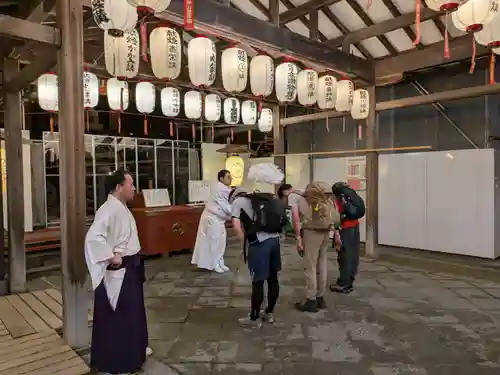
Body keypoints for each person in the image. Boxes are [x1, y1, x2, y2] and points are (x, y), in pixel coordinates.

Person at [85, 169, 151, 374]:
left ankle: (135, 350)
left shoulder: (120, 207)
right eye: (131, 184)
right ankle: (118, 360)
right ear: (119, 187)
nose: (134, 188)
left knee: (133, 313)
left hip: (130, 268)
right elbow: (93, 238)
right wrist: (111, 256)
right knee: (120, 316)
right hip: (119, 271)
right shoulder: (108, 210)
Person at [230, 187, 285, 328]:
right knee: (273, 278)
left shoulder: (238, 202)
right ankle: (269, 313)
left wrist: (245, 244)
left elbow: (236, 227)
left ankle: (254, 318)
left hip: (259, 243)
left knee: (258, 280)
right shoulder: (265, 199)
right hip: (275, 241)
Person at [292, 182, 340, 312]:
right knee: (322, 264)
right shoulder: (328, 200)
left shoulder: (302, 199)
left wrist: (298, 238)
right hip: (325, 232)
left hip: (312, 233)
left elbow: (297, 219)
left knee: (310, 266)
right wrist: (337, 235)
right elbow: (335, 219)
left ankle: (310, 299)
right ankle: (320, 297)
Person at [191, 169, 232, 273]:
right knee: (214, 242)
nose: (230, 179)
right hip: (212, 218)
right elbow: (226, 206)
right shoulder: (219, 188)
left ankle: (220, 261)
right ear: (221, 178)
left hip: (219, 219)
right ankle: (215, 264)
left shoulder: (225, 189)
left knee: (221, 241)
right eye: (228, 177)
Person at [330, 181, 364, 294]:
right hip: (355, 227)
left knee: (345, 256)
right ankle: (349, 281)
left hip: (344, 229)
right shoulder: (351, 197)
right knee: (353, 255)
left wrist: (336, 234)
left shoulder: (340, 200)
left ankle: (343, 284)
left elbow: (336, 217)